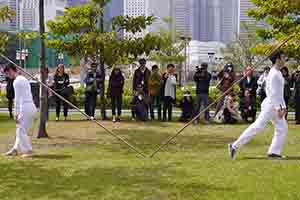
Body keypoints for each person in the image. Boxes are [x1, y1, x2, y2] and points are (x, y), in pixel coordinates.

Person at [228, 50, 288, 159]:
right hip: (271, 105)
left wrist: (283, 107)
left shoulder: (278, 72)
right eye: (283, 57)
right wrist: (279, 108)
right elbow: (273, 93)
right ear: (277, 59)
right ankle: (234, 146)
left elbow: (280, 93)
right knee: (258, 127)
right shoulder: (273, 74)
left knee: (282, 128)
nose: (285, 60)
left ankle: (274, 152)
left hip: (275, 105)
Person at [3, 64, 37, 158]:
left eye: (7, 74)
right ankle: (15, 149)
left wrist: (16, 113)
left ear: (10, 71)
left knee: (20, 131)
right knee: (21, 130)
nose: (7, 76)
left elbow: (17, 99)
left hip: (25, 107)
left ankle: (28, 150)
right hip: (30, 106)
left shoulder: (17, 82)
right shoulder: (23, 79)